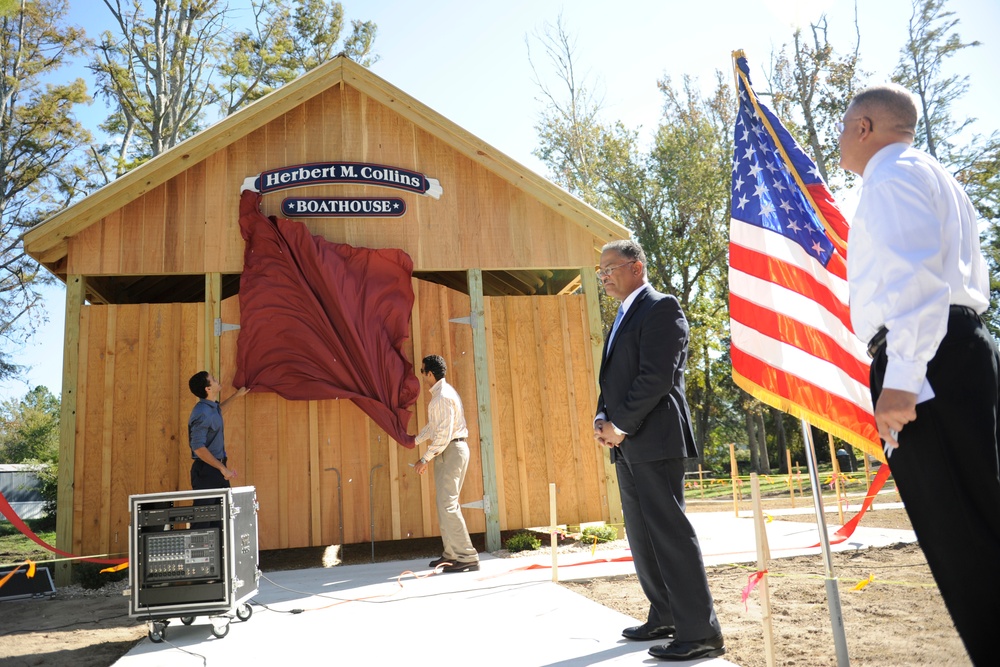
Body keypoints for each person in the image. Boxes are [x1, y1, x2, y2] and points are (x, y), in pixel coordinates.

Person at [839, 83, 1000, 666]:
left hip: (929, 359)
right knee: (980, 518)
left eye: (842, 127)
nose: (838, 141)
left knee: (963, 537)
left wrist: (902, 379)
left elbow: (915, 285)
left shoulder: (889, 176)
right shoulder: (932, 174)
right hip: (953, 348)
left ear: (864, 127)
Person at [593, 240, 724, 661]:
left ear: (637, 266)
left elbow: (656, 377)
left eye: (609, 268)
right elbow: (614, 377)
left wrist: (621, 424)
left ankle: (700, 632)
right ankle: (665, 614)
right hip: (626, 441)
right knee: (642, 532)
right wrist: (602, 418)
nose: (604, 277)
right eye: (600, 272)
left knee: (668, 533)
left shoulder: (661, 307)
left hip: (654, 437)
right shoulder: (621, 316)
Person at [412, 355, 479, 573]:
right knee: (444, 503)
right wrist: (414, 440)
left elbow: (442, 435)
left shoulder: (441, 397)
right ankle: (451, 554)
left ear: (430, 374)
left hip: (451, 450)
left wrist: (424, 459)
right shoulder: (442, 394)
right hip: (449, 450)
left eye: (423, 372)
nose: (422, 376)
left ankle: (466, 556)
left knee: (448, 504)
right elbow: (434, 427)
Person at [188, 371, 248, 497]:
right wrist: (223, 469)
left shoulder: (211, 408)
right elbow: (198, 447)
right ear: (208, 388)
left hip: (216, 469)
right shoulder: (202, 412)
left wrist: (236, 396)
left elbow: (218, 412)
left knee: (223, 512)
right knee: (207, 515)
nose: (217, 380)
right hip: (207, 471)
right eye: (213, 379)